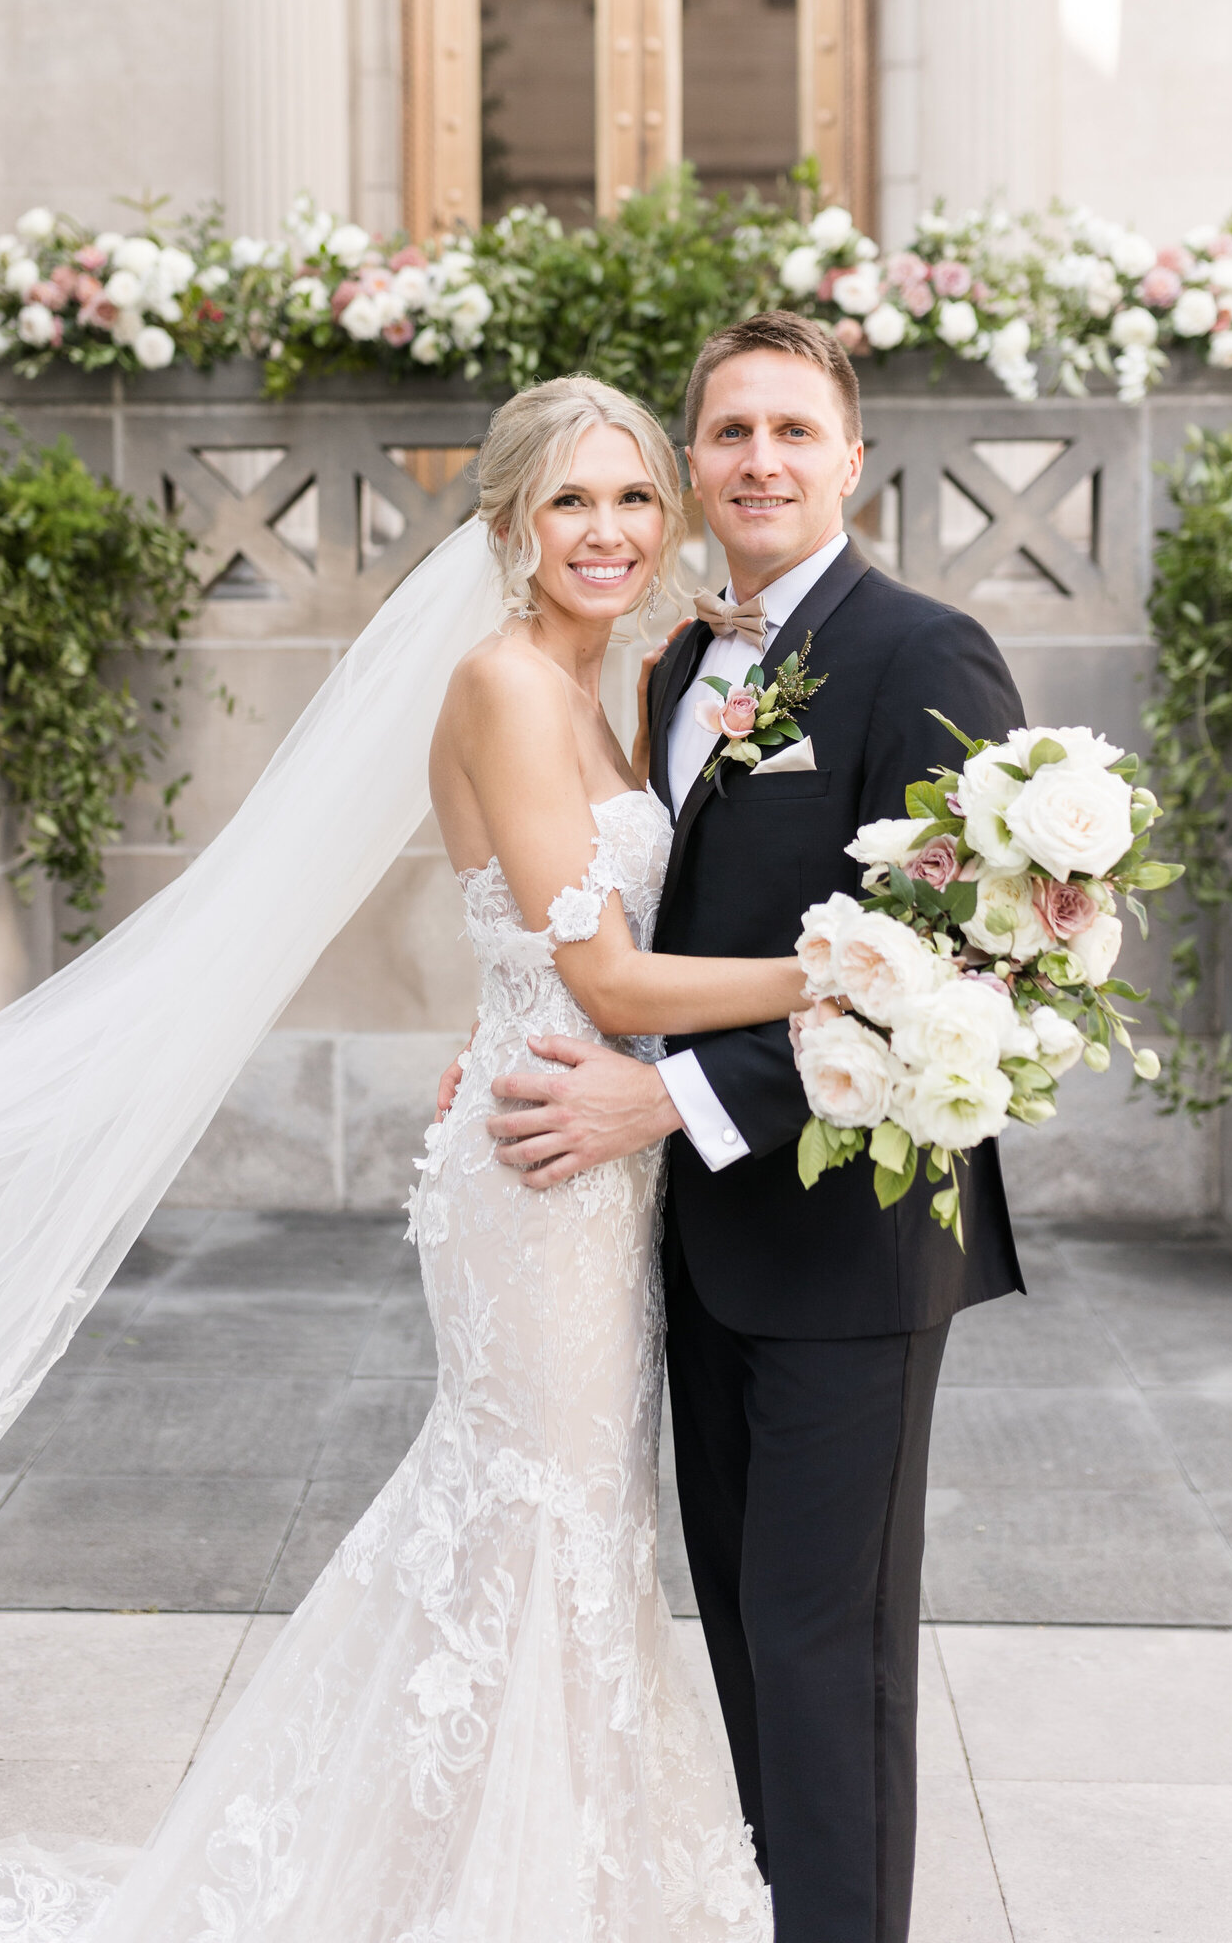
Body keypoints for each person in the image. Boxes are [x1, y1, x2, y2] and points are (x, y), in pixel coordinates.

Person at [0, 374, 815, 1943]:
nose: (605, 532)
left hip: (591, 1159)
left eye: (629, 500)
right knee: (537, 1521)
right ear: (511, 522)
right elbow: (603, 980)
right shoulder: (506, 686)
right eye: (570, 501)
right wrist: (839, 974)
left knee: (567, 1527)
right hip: (540, 1181)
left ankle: (517, 1875)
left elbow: (565, 949)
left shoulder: (606, 685)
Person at [481, 313, 1026, 1943]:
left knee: (824, 1658)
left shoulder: (924, 652)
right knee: (738, 1645)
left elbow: (973, 973)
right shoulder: (667, 664)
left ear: (852, 457)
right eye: (730, 434)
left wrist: (670, 1093)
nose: (763, 461)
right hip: (687, 1249)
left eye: (797, 431)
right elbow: (623, 917)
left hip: (845, 1249)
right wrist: (523, 1040)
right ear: (695, 465)